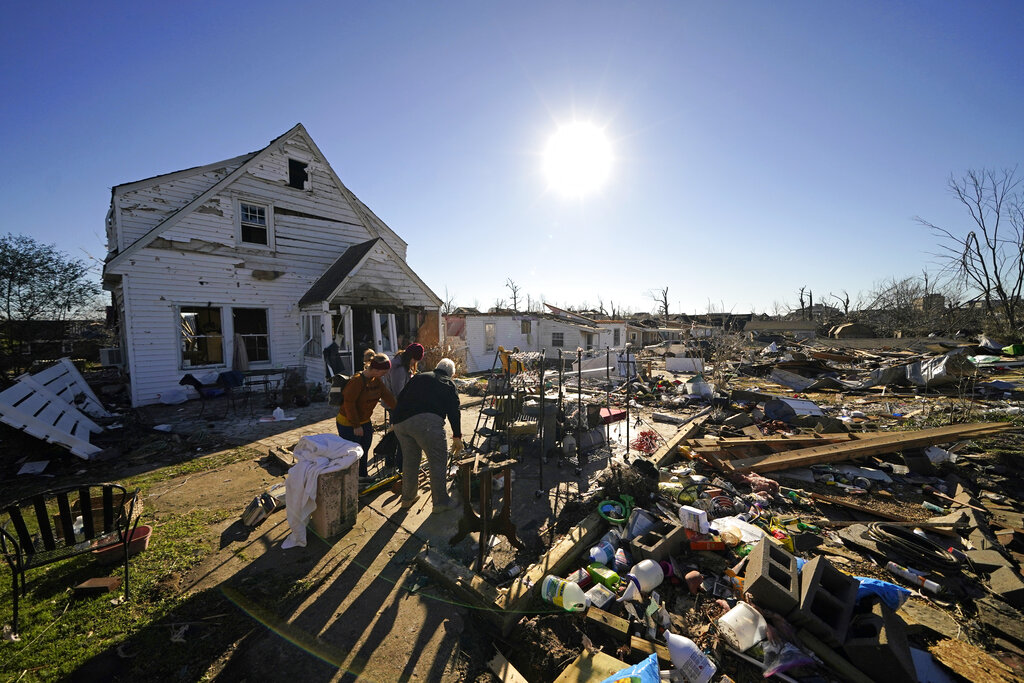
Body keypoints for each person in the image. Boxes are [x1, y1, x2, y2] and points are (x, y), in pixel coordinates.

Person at [391, 357, 463, 513]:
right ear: (450, 374)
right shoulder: (448, 383)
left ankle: (407, 499)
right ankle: (440, 502)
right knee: (437, 461)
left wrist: (394, 421)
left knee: (410, 461)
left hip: (400, 423)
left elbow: (401, 397)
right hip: (427, 424)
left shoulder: (419, 377)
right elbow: (454, 411)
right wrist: (457, 436)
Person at [337, 352, 397, 477]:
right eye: (384, 371)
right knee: (352, 454)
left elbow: (388, 396)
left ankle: (362, 476)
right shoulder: (357, 381)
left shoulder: (377, 381)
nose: (386, 374)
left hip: (365, 421)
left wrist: (401, 410)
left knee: (364, 450)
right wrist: (356, 425)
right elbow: (349, 403)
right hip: (348, 423)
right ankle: (350, 480)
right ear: (376, 369)